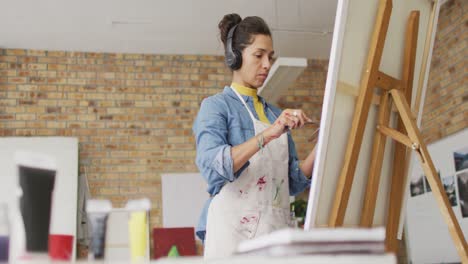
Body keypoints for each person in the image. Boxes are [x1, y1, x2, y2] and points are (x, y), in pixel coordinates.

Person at [192, 13, 317, 259]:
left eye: (270, 57)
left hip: (275, 234)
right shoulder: (216, 107)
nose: (267, 65)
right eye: (258, 55)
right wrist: (269, 134)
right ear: (235, 56)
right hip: (233, 236)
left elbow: (292, 181)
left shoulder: (275, 113)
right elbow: (213, 167)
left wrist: (322, 146)